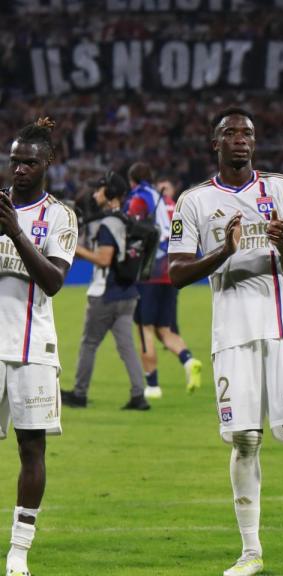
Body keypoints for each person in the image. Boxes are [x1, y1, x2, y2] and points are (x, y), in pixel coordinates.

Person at [168, 107, 283, 576]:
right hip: (231, 335)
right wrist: (224, 251)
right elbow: (176, 273)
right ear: (214, 143)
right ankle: (251, 550)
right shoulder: (193, 202)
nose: (241, 139)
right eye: (231, 133)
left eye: (248, 133)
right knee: (244, 440)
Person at [1, 117, 78, 576]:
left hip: (33, 349)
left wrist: (15, 232)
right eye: (14, 162)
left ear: (47, 163)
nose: (19, 170)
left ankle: (18, 550)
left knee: (31, 450)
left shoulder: (61, 216)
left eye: (29, 163)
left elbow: (52, 281)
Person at [61, 171, 150, 411]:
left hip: (105, 294)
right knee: (127, 347)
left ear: (110, 192)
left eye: (99, 189)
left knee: (88, 343)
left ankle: (79, 394)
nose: (94, 193)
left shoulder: (108, 223)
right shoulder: (125, 218)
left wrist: (75, 249)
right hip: (128, 292)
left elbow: (103, 259)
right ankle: (138, 395)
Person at [126, 162, 202, 399]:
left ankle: (153, 385)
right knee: (164, 330)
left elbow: (130, 230)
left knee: (144, 328)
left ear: (132, 180)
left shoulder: (140, 198)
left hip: (149, 273)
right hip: (171, 272)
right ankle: (188, 361)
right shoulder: (170, 204)